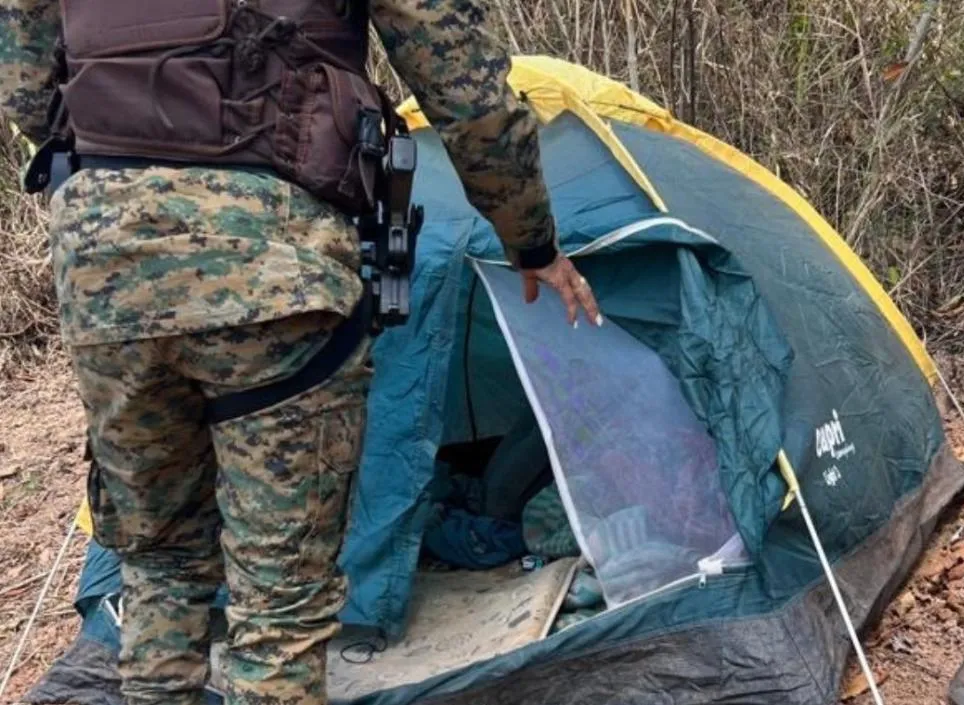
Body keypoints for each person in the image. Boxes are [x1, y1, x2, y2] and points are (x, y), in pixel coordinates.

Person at [0, 2, 602, 705]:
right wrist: (531, 240)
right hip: (275, 270)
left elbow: (26, 93)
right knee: (279, 606)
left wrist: (139, 149)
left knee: (159, 561)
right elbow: (466, 89)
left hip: (106, 271)